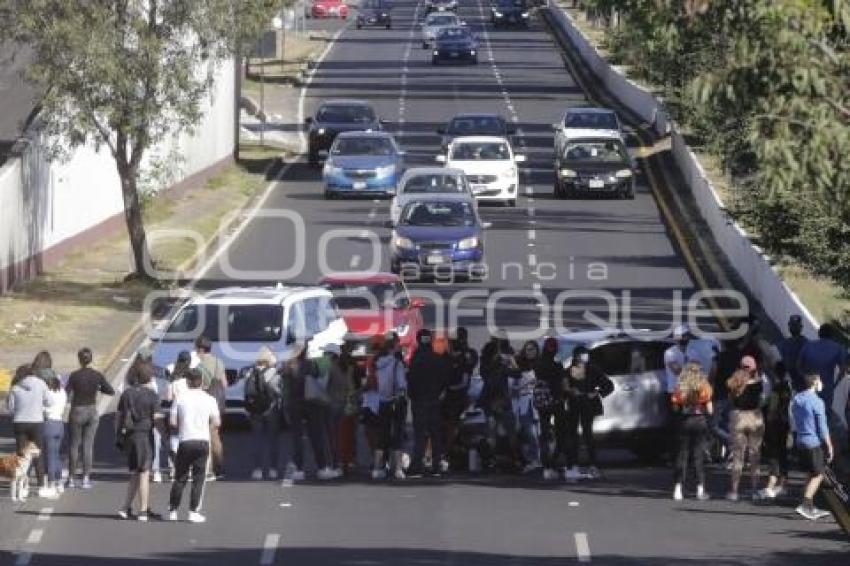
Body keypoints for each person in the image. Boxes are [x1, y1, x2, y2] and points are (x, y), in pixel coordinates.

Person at [168, 368, 220, 523]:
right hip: (202, 440)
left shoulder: (180, 398)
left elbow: (172, 421)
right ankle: (193, 511)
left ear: (188, 382)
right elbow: (217, 422)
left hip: (185, 440)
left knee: (180, 477)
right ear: (202, 381)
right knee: (199, 478)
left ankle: (173, 509)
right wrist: (206, 428)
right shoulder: (209, 399)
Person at [281, 343, 333, 481]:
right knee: (316, 435)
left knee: (297, 438)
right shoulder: (310, 364)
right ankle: (322, 467)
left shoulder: (288, 366)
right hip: (311, 403)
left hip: (294, 404)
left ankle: (298, 468)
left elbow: (285, 385)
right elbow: (317, 378)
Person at [116, 365, 161, 521]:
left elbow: (119, 415)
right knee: (144, 473)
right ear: (149, 378)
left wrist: (118, 436)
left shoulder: (127, 394)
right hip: (144, 435)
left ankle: (125, 507)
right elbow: (157, 418)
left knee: (135, 472)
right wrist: (165, 434)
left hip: (129, 435)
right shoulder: (152, 395)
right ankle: (143, 510)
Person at [66, 347, 114, 489]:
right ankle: (86, 478)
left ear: (79, 360)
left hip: (77, 410)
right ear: (91, 359)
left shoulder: (74, 375)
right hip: (91, 410)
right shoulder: (97, 375)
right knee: (88, 445)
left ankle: (71, 478)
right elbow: (110, 391)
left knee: (74, 445)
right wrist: (98, 388)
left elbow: (66, 391)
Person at [563, 345, 614, 480]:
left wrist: (596, 393)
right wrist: (569, 391)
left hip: (588, 406)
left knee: (588, 435)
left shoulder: (593, 369)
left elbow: (608, 385)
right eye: (581, 355)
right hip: (573, 406)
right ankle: (572, 465)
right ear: (576, 357)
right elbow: (564, 387)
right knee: (572, 435)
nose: (584, 357)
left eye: (585, 354)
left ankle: (592, 465)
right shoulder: (569, 371)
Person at [791, 373, 835, 520]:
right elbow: (823, 427)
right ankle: (806, 504)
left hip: (800, 439)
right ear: (815, 382)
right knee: (819, 474)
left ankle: (809, 506)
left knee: (810, 472)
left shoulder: (797, 399)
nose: (821, 383)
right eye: (820, 380)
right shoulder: (817, 402)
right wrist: (829, 445)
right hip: (812, 441)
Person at [7, 364, 55, 498]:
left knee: (21, 456)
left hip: (19, 422)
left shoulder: (15, 386)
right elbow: (49, 402)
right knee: (38, 453)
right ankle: (40, 486)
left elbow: (10, 408)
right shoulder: (40, 384)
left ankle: (23, 487)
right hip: (36, 422)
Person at [408, 330, 449, 476]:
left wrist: (412, 396)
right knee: (435, 434)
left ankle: (417, 465)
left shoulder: (416, 359)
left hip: (419, 401)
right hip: (434, 399)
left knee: (420, 434)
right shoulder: (438, 359)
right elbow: (445, 380)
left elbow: (410, 380)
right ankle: (436, 465)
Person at [670, 362, 713, 501]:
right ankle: (700, 489)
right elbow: (710, 409)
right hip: (699, 420)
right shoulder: (704, 386)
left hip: (685, 421)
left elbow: (675, 408)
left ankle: (678, 489)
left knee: (682, 454)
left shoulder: (680, 387)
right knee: (698, 455)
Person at [726, 362, 765, 501]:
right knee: (755, 454)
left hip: (738, 417)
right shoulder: (758, 385)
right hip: (755, 417)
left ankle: (734, 491)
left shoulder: (733, 384)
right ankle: (754, 490)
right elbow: (762, 400)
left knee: (738, 456)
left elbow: (731, 401)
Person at [371, 336, 408, 479]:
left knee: (382, 435)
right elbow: (402, 384)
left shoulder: (378, 363)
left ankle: (377, 467)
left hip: (382, 401)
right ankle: (398, 468)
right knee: (397, 434)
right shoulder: (396, 363)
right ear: (392, 348)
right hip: (396, 401)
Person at [798, 323, 847, 426]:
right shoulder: (837, 348)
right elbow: (844, 368)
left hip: (809, 387)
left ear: (819, 333)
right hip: (826, 389)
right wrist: (835, 384)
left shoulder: (808, 345)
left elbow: (798, 366)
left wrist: (805, 378)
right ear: (832, 335)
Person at [246, 346, 283, 481]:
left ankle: (257, 470)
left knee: (257, 440)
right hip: (271, 409)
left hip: (255, 409)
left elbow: (247, 391)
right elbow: (278, 390)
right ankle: (273, 469)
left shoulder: (251, 371)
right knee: (273, 440)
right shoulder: (274, 372)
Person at [193, 336, 227, 480]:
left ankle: (205, 468)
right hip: (215, 402)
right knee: (214, 436)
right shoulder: (218, 362)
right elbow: (224, 383)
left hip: (200, 402)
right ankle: (218, 468)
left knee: (199, 435)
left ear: (200, 348)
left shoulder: (196, 363)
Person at [758, 361, 793, 500]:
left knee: (773, 454)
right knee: (783, 452)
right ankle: (782, 484)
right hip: (785, 423)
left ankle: (771, 485)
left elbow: (772, 408)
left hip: (775, 424)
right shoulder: (789, 387)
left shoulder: (776, 388)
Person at [535, 337, 567, 481]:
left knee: (545, 431)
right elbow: (559, 383)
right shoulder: (557, 365)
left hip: (543, 401)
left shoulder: (539, 364)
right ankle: (555, 461)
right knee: (560, 432)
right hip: (556, 400)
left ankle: (546, 462)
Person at [444, 328, 476, 468]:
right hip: (447, 397)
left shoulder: (468, 355)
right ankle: (447, 452)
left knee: (454, 425)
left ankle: (449, 452)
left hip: (460, 396)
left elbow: (466, 375)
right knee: (446, 426)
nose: (452, 343)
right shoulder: (447, 356)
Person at [513, 341, 542, 474]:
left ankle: (538, 460)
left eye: (533, 349)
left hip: (538, 402)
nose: (531, 352)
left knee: (538, 432)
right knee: (530, 433)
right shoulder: (519, 366)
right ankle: (533, 460)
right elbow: (514, 386)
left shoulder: (540, 365)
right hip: (524, 402)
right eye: (528, 349)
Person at [323, 342, 352, 476]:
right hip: (342, 403)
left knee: (331, 436)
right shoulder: (344, 368)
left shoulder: (330, 368)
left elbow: (323, 386)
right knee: (340, 435)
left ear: (331, 355)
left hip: (331, 404)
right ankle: (341, 462)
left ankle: (334, 464)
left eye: (326, 353)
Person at [43, 374, 67, 495]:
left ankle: (51, 483)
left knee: (50, 455)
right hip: (60, 424)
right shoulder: (62, 392)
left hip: (49, 424)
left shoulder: (48, 393)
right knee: (56, 454)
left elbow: (44, 408)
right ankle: (59, 482)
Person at [779, 315, 809, 392]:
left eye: (796, 326)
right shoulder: (785, 343)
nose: (794, 328)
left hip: (801, 385)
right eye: (793, 325)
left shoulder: (806, 344)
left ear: (801, 327)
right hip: (790, 384)